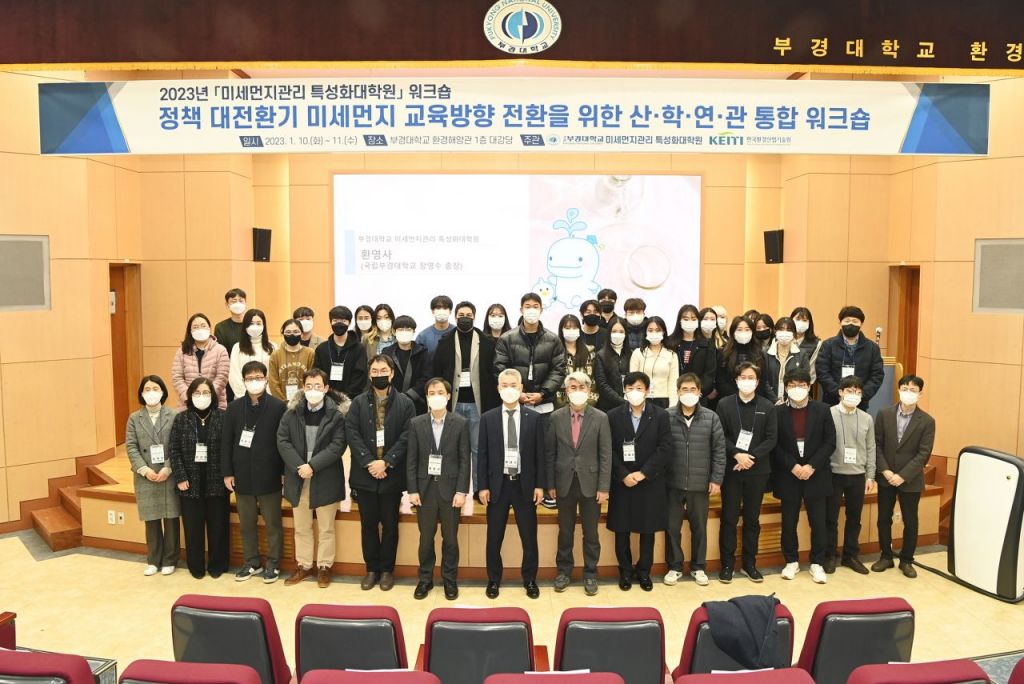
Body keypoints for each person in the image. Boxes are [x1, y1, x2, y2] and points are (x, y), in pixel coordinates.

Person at [346, 354, 415, 591]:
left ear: (392, 373)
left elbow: (407, 436)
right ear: (369, 374)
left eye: (383, 371)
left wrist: (386, 462)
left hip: (391, 474)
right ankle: (371, 569)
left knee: (390, 525)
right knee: (368, 525)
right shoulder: (357, 403)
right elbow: (352, 433)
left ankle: (387, 570)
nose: (379, 375)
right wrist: (370, 463)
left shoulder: (405, 403)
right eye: (374, 371)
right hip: (365, 475)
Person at [478, 369, 546, 600]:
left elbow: (540, 455)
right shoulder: (488, 418)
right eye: (504, 385)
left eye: (513, 385)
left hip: (524, 485)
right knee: (494, 537)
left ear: (521, 388)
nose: (509, 389)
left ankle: (530, 579)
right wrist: (482, 486)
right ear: (498, 389)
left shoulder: (534, 418)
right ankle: (493, 579)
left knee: (529, 537)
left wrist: (540, 485)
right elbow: (482, 455)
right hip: (498, 486)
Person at [277, 369, 349, 588]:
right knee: (301, 527)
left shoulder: (336, 414)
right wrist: (300, 466)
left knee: (327, 528)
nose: (313, 390)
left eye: (318, 386)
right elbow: (282, 440)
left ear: (326, 388)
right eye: (309, 386)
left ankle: (325, 567)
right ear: (303, 387)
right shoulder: (291, 412)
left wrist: (312, 466)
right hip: (298, 477)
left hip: (325, 477)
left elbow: (338, 445)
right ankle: (304, 565)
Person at [495, 292, 566, 508]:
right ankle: (514, 492)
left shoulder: (553, 339)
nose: (531, 310)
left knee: (545, 450)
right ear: (521, 309)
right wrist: (518, 393)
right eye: (528, 306)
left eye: (536, 306)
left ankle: (545, 491)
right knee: (516, 447)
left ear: (541, 310)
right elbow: (500, 368)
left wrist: (543, 393)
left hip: (544, 405)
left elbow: (559, 370)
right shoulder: (507, 338)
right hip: (515, 403)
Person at [220, 361, 287, 584]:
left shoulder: (278, 407)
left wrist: (284, 472)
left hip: (270, 474)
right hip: (242, 475)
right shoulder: (234, 408)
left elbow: (284, 442)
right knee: (246, 523)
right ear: (243, 381)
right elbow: (226, 442)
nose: (254, 381)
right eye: (250, 378)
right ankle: (252, 562)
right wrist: (227, 473)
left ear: (266, 379)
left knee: (273, 524)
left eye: (258, 377)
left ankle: (274, 564)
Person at [546, 372, 612, 596]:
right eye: (573, 387)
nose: (577, 391)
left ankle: (591, 574)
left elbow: (606, 455)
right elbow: (550, 453)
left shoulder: (601, 418)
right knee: (565, 532)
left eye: (582, 387)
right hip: (563, 483)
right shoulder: (555, 417)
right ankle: (563, 572)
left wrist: (604, 487)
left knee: (591, 534)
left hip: (591, 485)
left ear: (589, 390)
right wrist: (550, 484)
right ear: (566, 391)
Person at [606, 371, 671, 592]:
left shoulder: (660, 415)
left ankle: (644, 572)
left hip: (649, 482)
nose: (635, 392)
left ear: (648, 391)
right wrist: (624, 475)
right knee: (621, 529)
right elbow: (608, 450)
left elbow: (665, 449)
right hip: (622, 482)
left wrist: (643, 473)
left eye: (640, 388)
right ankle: (625, 572)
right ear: (624, 391)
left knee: (647, 530)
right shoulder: (613, 415)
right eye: (630, 388)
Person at [407, 378, 471, 600]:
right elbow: (411, 460)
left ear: (448, 396)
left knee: (450, 539)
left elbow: (465, 460)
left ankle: (449, 579)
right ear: (426, 397)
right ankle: (425, 579)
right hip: (424, 491)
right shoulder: (416, 423)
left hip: (451, 491)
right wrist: (412, 490)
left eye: (440, 392)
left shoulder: (460, 423)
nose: (436, 396)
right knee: (426, 539)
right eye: (432, 393)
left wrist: (462, 491)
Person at [772, 368, 836, 585]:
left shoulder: (823, 410)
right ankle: (791, 561)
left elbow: (830, 442)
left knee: (818, 522)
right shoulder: (778, 412)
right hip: (788, 474)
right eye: (792, 385)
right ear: (786, 388)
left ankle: (817, 562)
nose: (797, 389)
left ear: (809, 387)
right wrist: (792, 466)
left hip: (816, 474)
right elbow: (774, 444)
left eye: (801, 385)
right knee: (789, 522)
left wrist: (811, 466)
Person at [432, 301, 501, 500]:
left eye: (468, 315)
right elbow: (437, 372)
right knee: (451, 449)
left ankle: (479, 489)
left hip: (478, 405)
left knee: (478, 449)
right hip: (452, 404)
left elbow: (493, 373)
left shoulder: (487, 341)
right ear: (455, 317)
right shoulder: (445, 342)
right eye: (461, 315)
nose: (465, 318)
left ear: (474, 317)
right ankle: (452, 489)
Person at [716, 362, 777, 583]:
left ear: (758, 382)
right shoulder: (724, 404)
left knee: (752, 519)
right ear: (736, 380)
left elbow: (771, 438)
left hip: (757, 470)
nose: (747, 381)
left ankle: (750, 564)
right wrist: (737, 454)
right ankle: (727, 565)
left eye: (751, 377)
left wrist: (750, 457)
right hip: (732, 469)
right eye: (743, 377)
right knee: (729, 518)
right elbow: (720, 435)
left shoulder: (768, 406)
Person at [664, 373, 726, 587]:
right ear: (677, 392)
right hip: (672, 483)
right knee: (672, 528)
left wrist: (716, 479)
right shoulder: (667, 416)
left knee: (699, 528)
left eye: (693, 389)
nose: (688, 393)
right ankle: (674, 566)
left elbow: (719, 451)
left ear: (699, 392)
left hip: (700, 484)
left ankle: (698, 567)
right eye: (684, 389)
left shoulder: (711, 417)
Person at [872, 374, 936, 579]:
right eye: (905, 389)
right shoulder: (884, 414)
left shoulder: (927, 421)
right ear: (899, 390)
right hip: (886, 476)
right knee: (883, 519)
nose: (908, 393)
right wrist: (885, 471)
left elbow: (923, 453)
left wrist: (902, 476)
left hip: (910, 479)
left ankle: (907, 560)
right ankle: (886, 556)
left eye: (913, 390)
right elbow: (876, 445)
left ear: (920, 394)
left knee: (911, 521)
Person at [169, 377, 229, 579]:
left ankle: (217, 565)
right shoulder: (181, 419)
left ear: (212, 395)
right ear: (190, 395)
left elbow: (229, 450)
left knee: (218, 527)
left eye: (205, 393)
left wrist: (227, 474)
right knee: (193, 528)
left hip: (217, 482)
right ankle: (195, 567)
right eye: (197, 393)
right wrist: (180, 476)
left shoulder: (223, 417)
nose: (201, 397)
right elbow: (174, 450)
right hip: (189, 483)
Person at [125, 375, 180, 576]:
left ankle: (170, 559)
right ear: (141, 393)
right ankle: (153, 560)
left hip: (168, 474)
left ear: (163, 391)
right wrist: (144, 470)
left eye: (155, 388)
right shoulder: (134, 418)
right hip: (145, 475)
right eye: (147, 389)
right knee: (152, 519)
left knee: (171, 518)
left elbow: (177, 445)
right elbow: (131, 447)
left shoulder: (173, 415)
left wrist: (168, 468)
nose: (151, 393)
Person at [825, 375, 876, 575]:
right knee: (830, 518)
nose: (853, 395)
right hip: (833, 473)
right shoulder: (828, 414)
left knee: (854, 518)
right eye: (849, 390)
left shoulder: (866, 418)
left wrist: (870, 475)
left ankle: (850, 556)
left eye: (857, 392)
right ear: (840, 392)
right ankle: (830, 555)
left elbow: (871, 447)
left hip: (858, 475)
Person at [815, 306, 884, 408]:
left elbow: (877, 375)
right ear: (840, 323)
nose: (851, 324)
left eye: (855, 321)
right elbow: (822, 372)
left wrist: (861, 394)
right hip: (832, 401)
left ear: (861, 324)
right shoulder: (828, 345)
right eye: (847, 321)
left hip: (860, 402)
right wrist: (839, 393)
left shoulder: (872, 348)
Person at [171, 314, 230, 409]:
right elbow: (177, 378)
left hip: (215, 404)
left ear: (209, 328)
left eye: (203, 326)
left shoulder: (220, 350)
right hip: (188, 405)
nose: (200, 329)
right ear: (190, 331)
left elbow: (222, 377)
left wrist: (208, 396)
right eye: (195, 327)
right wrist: (190, 397)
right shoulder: (182, 351)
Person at [313, 305, 369, 400]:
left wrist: (345, 397)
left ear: (349, 323)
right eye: (335, 321)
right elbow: (318, 374)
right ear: (330, 322)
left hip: (352, 400)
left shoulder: (359, 349)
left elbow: (360, 376)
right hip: (325, 399)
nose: (339, 324)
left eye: (343, 321)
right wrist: (328, 396)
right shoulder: (321, 349)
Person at [669, 305, 717, 403]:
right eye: (686, 319)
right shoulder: (670, 343)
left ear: (698, 321)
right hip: (674, 395)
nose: (689, 322)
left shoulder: (706, 344)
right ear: (679, 321)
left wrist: (699, 391)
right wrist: (676, 392)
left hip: (698, 396)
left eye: (693, 319)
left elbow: (710, 373)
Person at [383, 315, 431, 415]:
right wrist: (394, 396)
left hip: (417, 402)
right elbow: (384, 376)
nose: (404, 332)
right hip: (391, 402)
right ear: (394, 331)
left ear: (414, 332)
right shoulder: (387, 353)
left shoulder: (422, 352)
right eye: (400, 329)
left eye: (408, 329)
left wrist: (410, 395)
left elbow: (426, 377)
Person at [629, 316, 678, 408]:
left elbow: (673, 383)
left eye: (658, 330)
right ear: (645, 332)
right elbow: (632, 380)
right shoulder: (638, 353)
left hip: (664, 400)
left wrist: (673, 406)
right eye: (650, 330)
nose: (654, 333)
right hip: (642, 399)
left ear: (663, 332)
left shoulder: (671, 355)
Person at [228, 309, 275, 399]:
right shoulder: (237, 348)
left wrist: (267, 396)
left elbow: (274, 376)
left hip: (268, 398)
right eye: (251, 323)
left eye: (258, 323)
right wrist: (245, 397)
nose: (255, 326)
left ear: (264, 326)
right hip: (243, 398)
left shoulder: (273, 347)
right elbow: (234, 376)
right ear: (245, 326)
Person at [715, 317, 765, 402]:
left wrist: (751, 396)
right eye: (739, 329)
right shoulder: (724, 352)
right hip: (729, 399)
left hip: (754, 399)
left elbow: (763, 379)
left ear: (752, 332)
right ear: (733, 332)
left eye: (747, 329)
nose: (743, 332)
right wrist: (737, 397)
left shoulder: (759, 353)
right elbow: (720, 379)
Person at [763, 317, 813, 402]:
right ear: (775, 331)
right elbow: (763, 380)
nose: (785, 333)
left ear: (794, 333)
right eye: (781, 329)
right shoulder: (766, 353)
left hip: (794, 400)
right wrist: (775, 400)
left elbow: (804, 379)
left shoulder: (801, 354)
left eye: (789, 330)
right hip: (769, 401)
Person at [555, 314, 600, 408]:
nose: (571, 330)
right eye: (567, 328)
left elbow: (594, 380)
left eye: (574, 328)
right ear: (561, 330)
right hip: (562, 406)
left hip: (587, 405)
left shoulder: (590, 351)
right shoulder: (555, 352)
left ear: (579, 329)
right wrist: (563, 406)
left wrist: (588, 403)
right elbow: (554, 381)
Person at [268, 319, 315, 401]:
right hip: (281, 403)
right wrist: (283, 402)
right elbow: (273, 383)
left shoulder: (310, 353)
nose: (292, 335)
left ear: (302, 334)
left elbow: (312, 379)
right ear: (283, 334)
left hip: (305, 401)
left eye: (296, 332)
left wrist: (304, 400)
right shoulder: (275, 355)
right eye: (288, 332)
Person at [214, 288, 247, 400]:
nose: (238, 303)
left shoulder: (251, 326)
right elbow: (222, 354)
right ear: (227, 305)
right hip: (230, 373)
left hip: (250, 371)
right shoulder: (221, 327)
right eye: (233, 301)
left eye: (241, 300)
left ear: (245, 303)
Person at [595, 318, 629, 411]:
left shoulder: (630, 354)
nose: (617, 334)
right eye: (614, 331)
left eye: (621, 331)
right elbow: (602, 384)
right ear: (608, 333)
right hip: (608, 406)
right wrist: (621, 401)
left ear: (626, 334)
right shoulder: (600, 355)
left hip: (629, 405)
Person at [790, 307, 822, 383]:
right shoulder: (784, 339)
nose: (800, 322)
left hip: (804, 384)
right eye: (797, 319)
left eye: (804, 320)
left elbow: (812, 370)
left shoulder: (816, 344)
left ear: (809, 323)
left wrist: (802, 384)